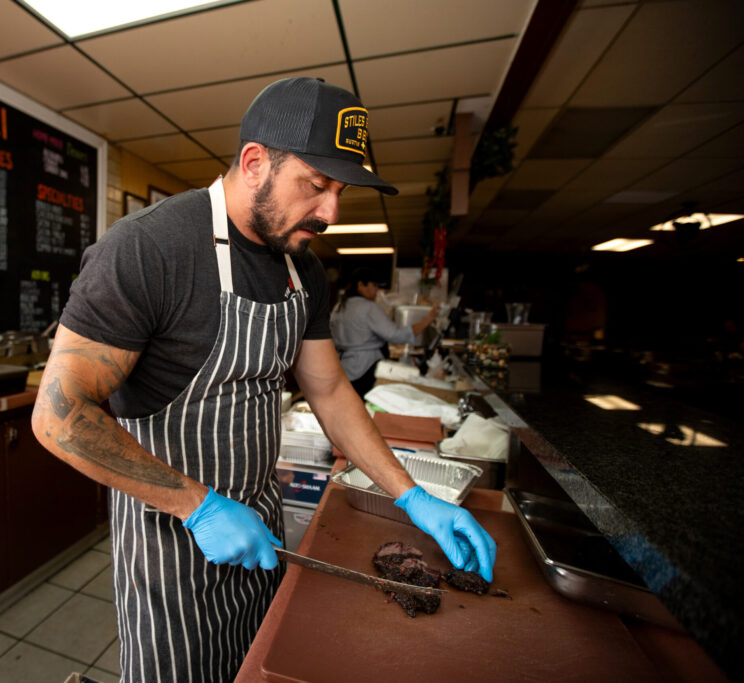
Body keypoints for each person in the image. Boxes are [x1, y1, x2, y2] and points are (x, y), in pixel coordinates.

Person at [32, 77, 496, 683]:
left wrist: (410, 496)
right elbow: (58, 415)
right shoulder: (149, 249)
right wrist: (197, 508)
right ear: (255, 163)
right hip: (171, 541)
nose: (332, 211)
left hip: (262, 526)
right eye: (317, 185)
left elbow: (329, 391)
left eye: (340, 190)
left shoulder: (302, 270)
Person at [331, 267, 439, 397]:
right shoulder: (369, 307)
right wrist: (427, 320)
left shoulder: (339, 306)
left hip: (344, 366)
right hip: (365, 367)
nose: (377, 290)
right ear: (360, 285)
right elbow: (396, 335)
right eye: (374, 285)